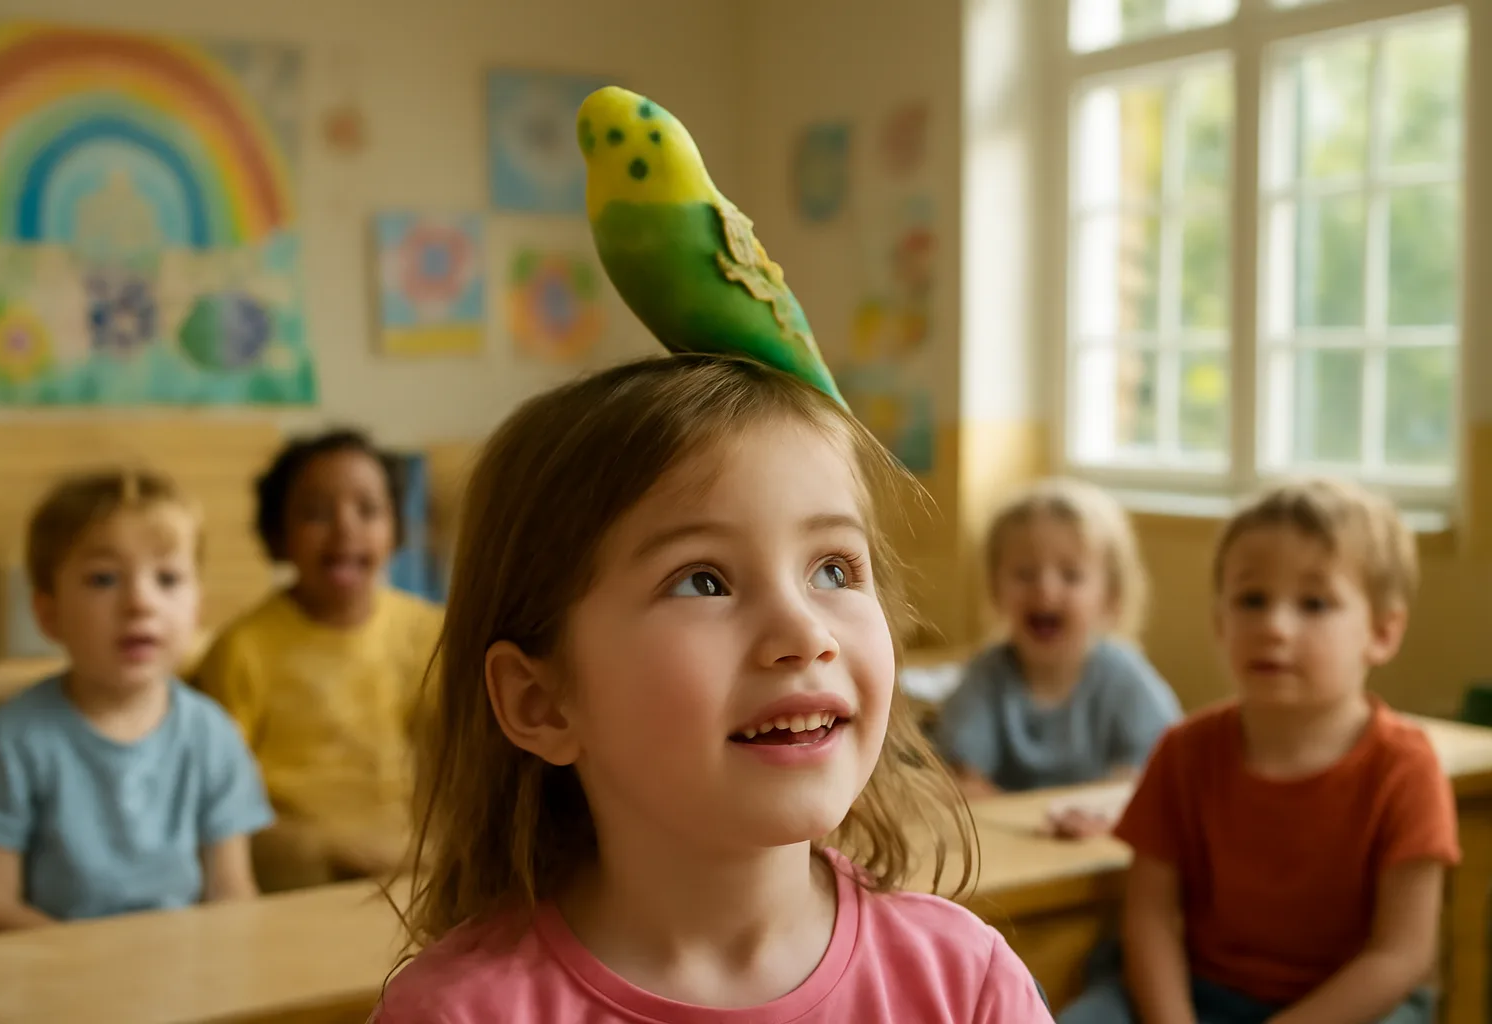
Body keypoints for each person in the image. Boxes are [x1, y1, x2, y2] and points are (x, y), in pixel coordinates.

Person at [374, 355, 1053, 1021]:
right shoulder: (456, 1013)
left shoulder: (966, 986)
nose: (804, 631)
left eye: (834, 570)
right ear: (541, 701)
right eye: (703, 580)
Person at [1059, 477, 1459, 1024]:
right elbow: (1150, 918)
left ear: (1382, 633)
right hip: (1202, 994)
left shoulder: (1404, 768)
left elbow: (1402, 956)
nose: (1274, 626)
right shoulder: (1183, 751)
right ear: (1220, 621)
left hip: (1351, 1008)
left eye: (1314, 604)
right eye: (1251, 599)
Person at [0, 470, 271, 932]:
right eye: (103, 579)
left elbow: (232, 893)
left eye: (167, 578)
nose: (140, 602)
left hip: (185, 976)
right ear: (49, 614)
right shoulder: (7, 742)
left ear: (197, 607)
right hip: (55, 978)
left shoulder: (213, 734)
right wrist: (93, 968)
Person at [195, 429, 442, 891]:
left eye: (368, 510)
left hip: (418, 857)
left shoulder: (433, 632)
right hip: (297, 865)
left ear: (396, 529)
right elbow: (216, 792)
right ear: (278, 535)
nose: (345, 527)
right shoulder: (243, 648)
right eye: (315, 513)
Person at [933, 477, 1179, 837]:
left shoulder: (1124, 677)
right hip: (1008, 852)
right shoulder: (987, 676)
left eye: (1071, 575)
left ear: (1110, 595)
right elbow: (958, 780)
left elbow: (1158, 779)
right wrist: (1037, 825)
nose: (1045, 589)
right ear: (995, 587)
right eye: (1024, 573)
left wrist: (1097, 817)